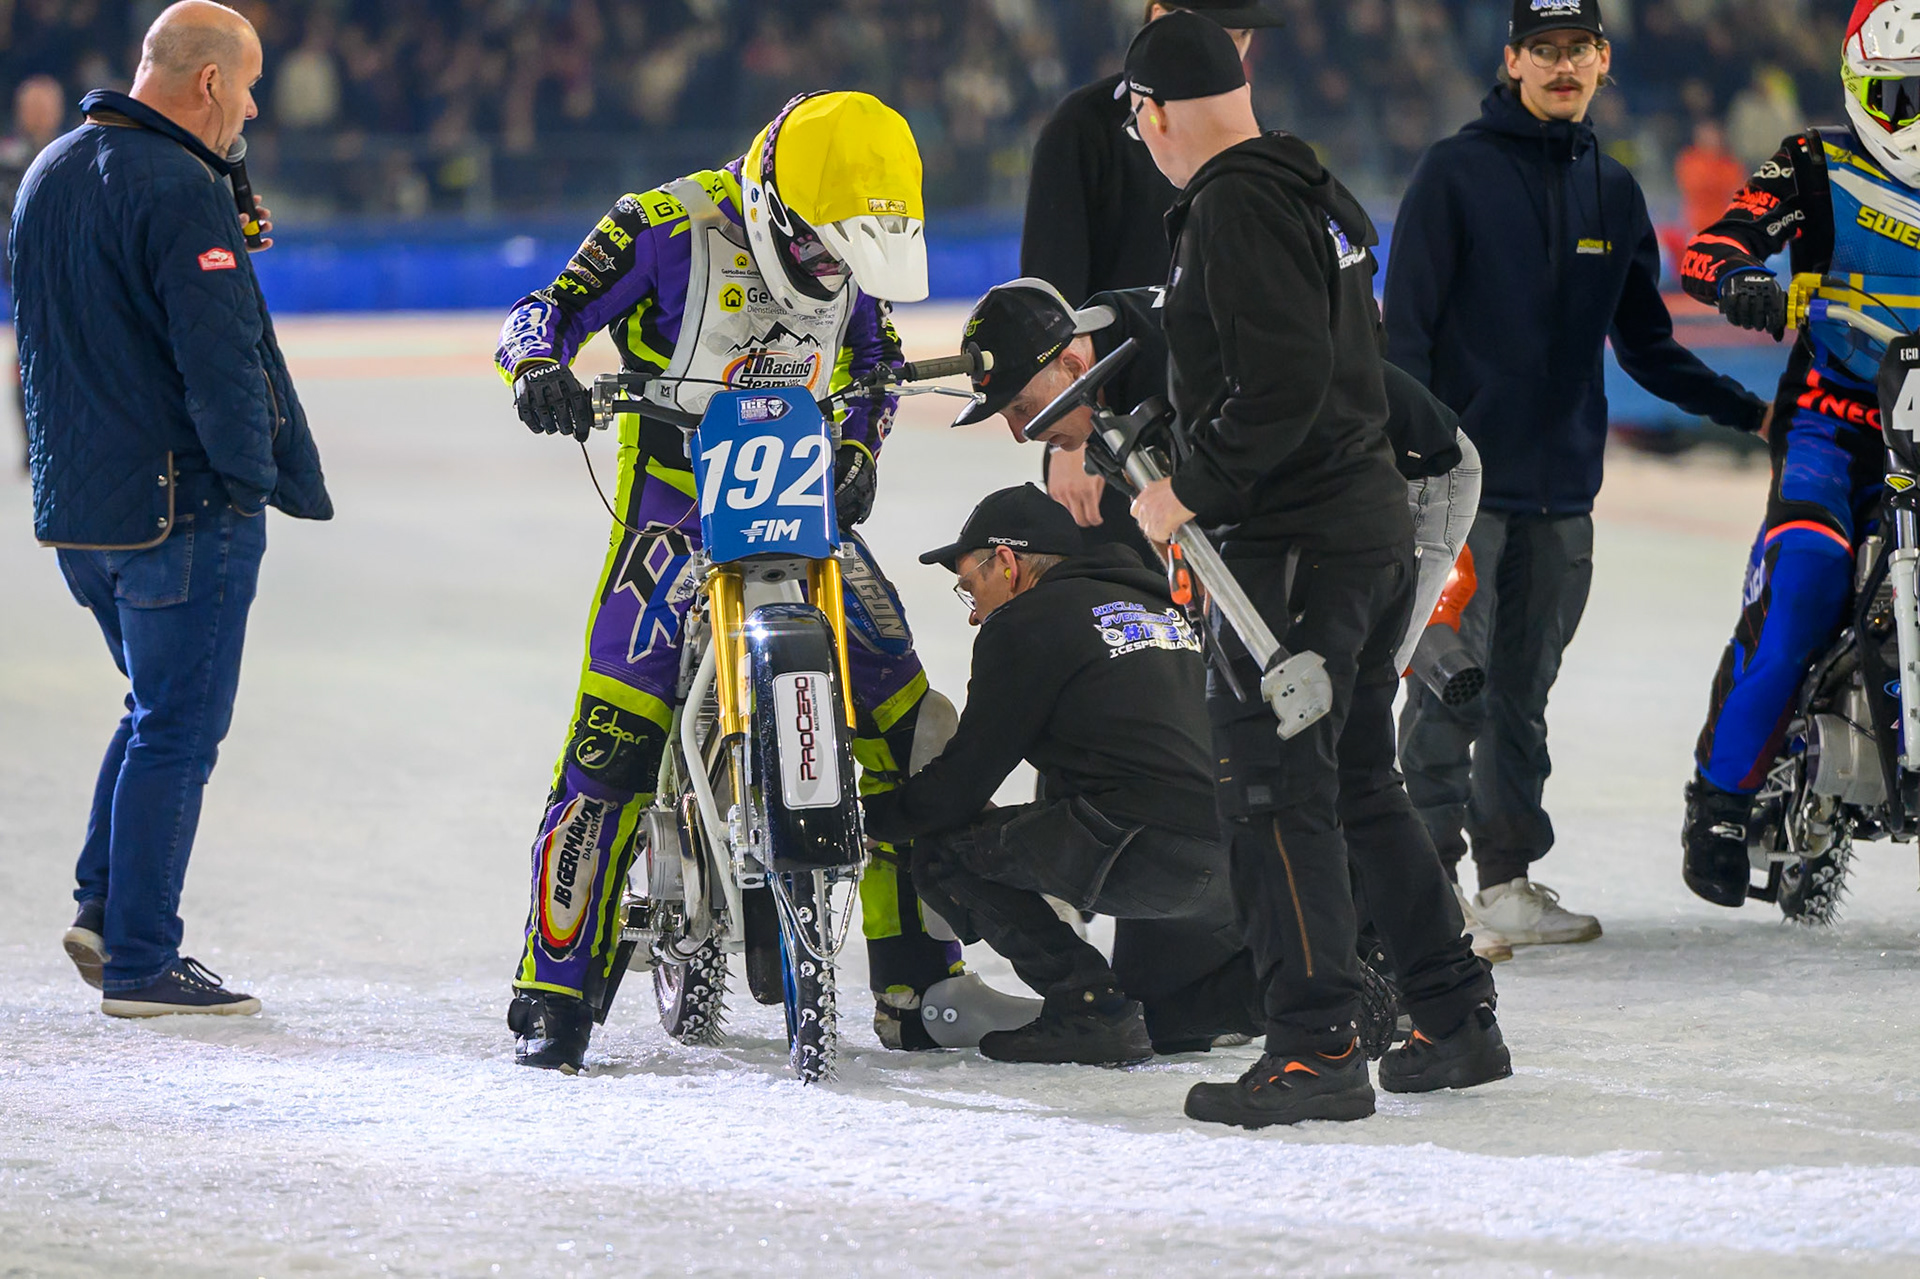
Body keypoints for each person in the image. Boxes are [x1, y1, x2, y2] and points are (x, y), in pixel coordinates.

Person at [494, 91, 973, 1073]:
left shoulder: (850, 242)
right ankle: (555, 991)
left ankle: (917, 976)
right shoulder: (664, 225)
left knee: (907, 718)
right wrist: (539, 368)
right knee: (612, 738)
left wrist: (858, 445)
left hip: (800, 502)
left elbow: (873, 361)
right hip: (674, 509)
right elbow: (545, 310)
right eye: (826, 250)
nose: (835, 272)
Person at [1121, 13, 1506, 1128]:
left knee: (1272, 795)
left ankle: (1314, 1050)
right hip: (1366, 529)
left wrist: (1183, 487)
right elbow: (1320, 366)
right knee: (1358, 785)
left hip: (1290, 553)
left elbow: (1279, 387)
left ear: (1152, 112)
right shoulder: (1306, 187)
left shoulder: (1232, 206)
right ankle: (1454, 1014)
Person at [1385, 0, 1769, 949]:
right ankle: (1425, 889)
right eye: (1544, 49)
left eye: (1579, 49)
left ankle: (1507, 876)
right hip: (1459, 496)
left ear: (1602, 62)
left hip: (1564, 499)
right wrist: (1412, 475)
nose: (1563, 65)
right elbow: (1404, 342)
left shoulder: (1614, 189)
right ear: (1512, 59)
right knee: (1449, 686)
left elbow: (1645, 343)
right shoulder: (1454, 174)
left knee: (1524, 692)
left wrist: (1751, 410)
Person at [12, 1, 329, 1016]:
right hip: (178, 509)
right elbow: (221, 361)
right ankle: (143, 960)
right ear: (206, 84)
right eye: (246, 86)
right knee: (179, 729)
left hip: (82, 514)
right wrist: (247, 481)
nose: (250, 107)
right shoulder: (174, 184)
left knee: (152, 711)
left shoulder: (54, 168)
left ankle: (105, 906)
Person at [864, 486, 1255, 1066]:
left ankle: (1087, 1005)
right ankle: (1271, 994)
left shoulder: (1027, 624)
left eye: (970, 586)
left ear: (1007, 562)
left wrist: (867, 821)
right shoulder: (1161, 608)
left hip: (1149, 853)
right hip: (1238, 864)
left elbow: (960, 785)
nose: (972, 612)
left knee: (944, 849)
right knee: (1164, 1022)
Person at [1678, 1, 1920, 906]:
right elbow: (1719, 239)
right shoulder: (1815, 160)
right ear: (1862, 86)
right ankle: (1722, 799)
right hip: (1835, 416)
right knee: (1809, 579)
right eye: (1903, 93)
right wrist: (1738, 276)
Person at [1019, 0, 1281, 555]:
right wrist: (1070, 443)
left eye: (1242, 37)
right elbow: (1049, 299)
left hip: (1222, 435)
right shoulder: (1080, 130)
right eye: (1220, 33)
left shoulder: (1248, 141)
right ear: (1160, 13)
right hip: (1120, 435)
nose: (1231, 55)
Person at [2, 75, 64, 473]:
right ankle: (34, 443)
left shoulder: (76, 151)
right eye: (34, 106)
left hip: (70, 270)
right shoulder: (7, 158)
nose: (40, 115)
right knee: (27, 357)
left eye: (47, 106)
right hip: (25, 272)